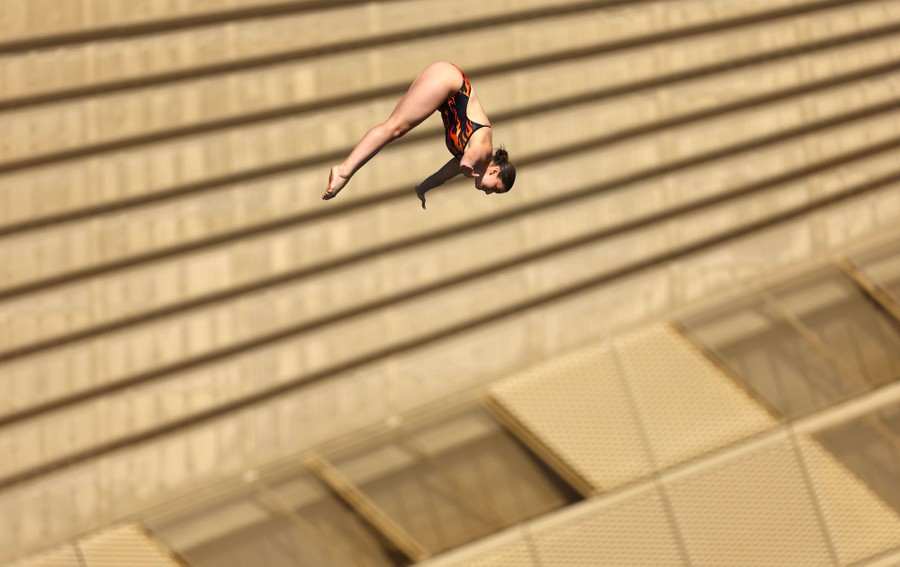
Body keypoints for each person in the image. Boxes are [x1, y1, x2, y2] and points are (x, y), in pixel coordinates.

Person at [322, 61, 516, 208]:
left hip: (445, 85)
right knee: (394, 128)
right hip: (450, 82)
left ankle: (345, 170)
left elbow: (442, 176)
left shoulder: (474, 164)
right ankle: (344, 171)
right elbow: (472, 153)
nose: (489, 193)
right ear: (494, 171)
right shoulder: (483, 152)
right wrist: (466, 164)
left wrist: (423, 188)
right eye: (495, 188)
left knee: (392, 128)